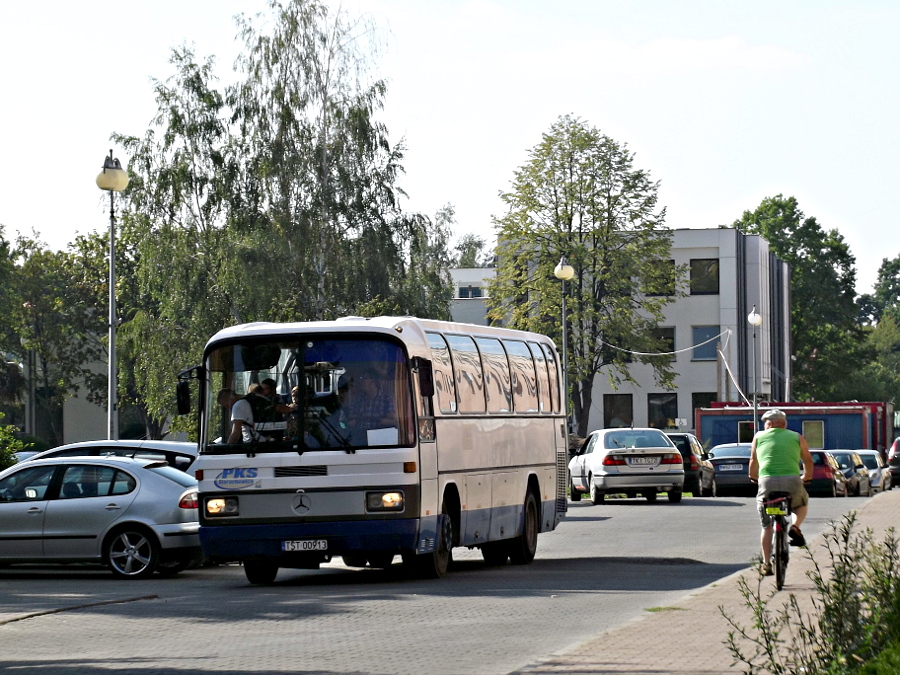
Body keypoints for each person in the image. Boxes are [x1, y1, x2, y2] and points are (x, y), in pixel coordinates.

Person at [749, 408, 814, 576]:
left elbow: (753, 461)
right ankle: (795, 526)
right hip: (792, 480)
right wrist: (806, 477)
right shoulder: (796, 437)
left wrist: (753, 477)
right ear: (783, 424)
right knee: (801, 504)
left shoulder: (758, 437)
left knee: (767, 526)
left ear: (769, 424)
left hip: (766, 482)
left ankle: (766, 564)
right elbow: (807, 459)